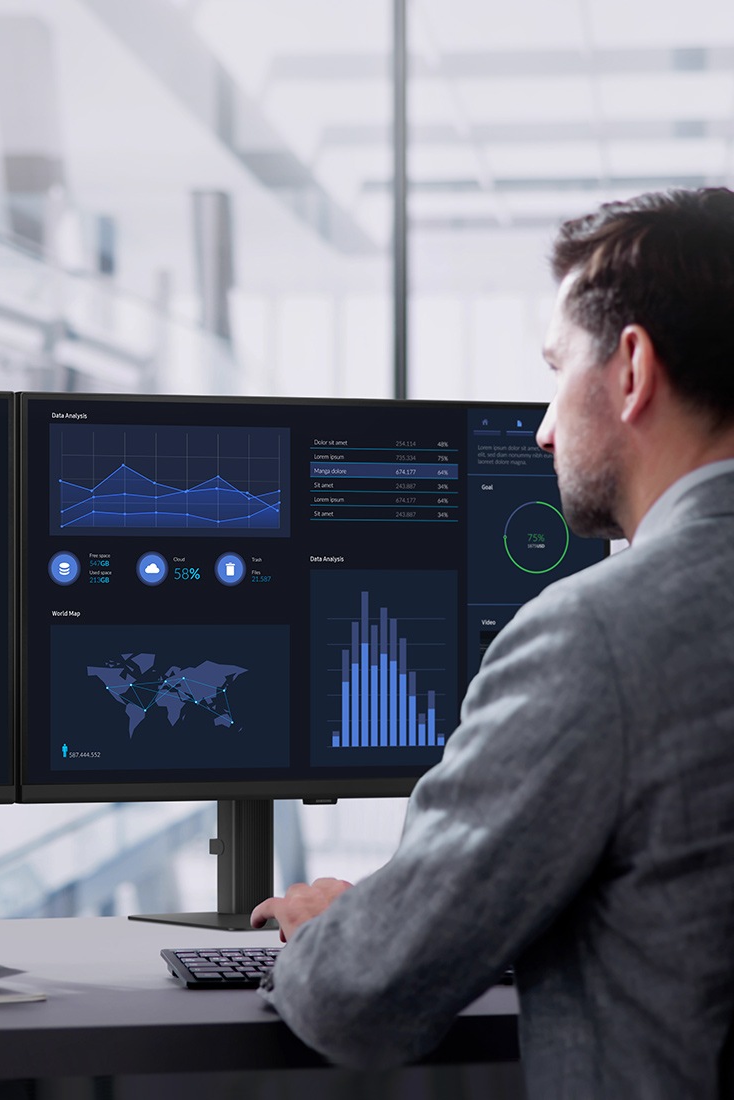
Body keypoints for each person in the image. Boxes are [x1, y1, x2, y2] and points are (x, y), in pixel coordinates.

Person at [251, 188, 734, 1096]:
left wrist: (324, 930)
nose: (546, 426)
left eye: (557, 370)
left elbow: (364, 1000)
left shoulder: (596, 635)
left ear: (631, 369)